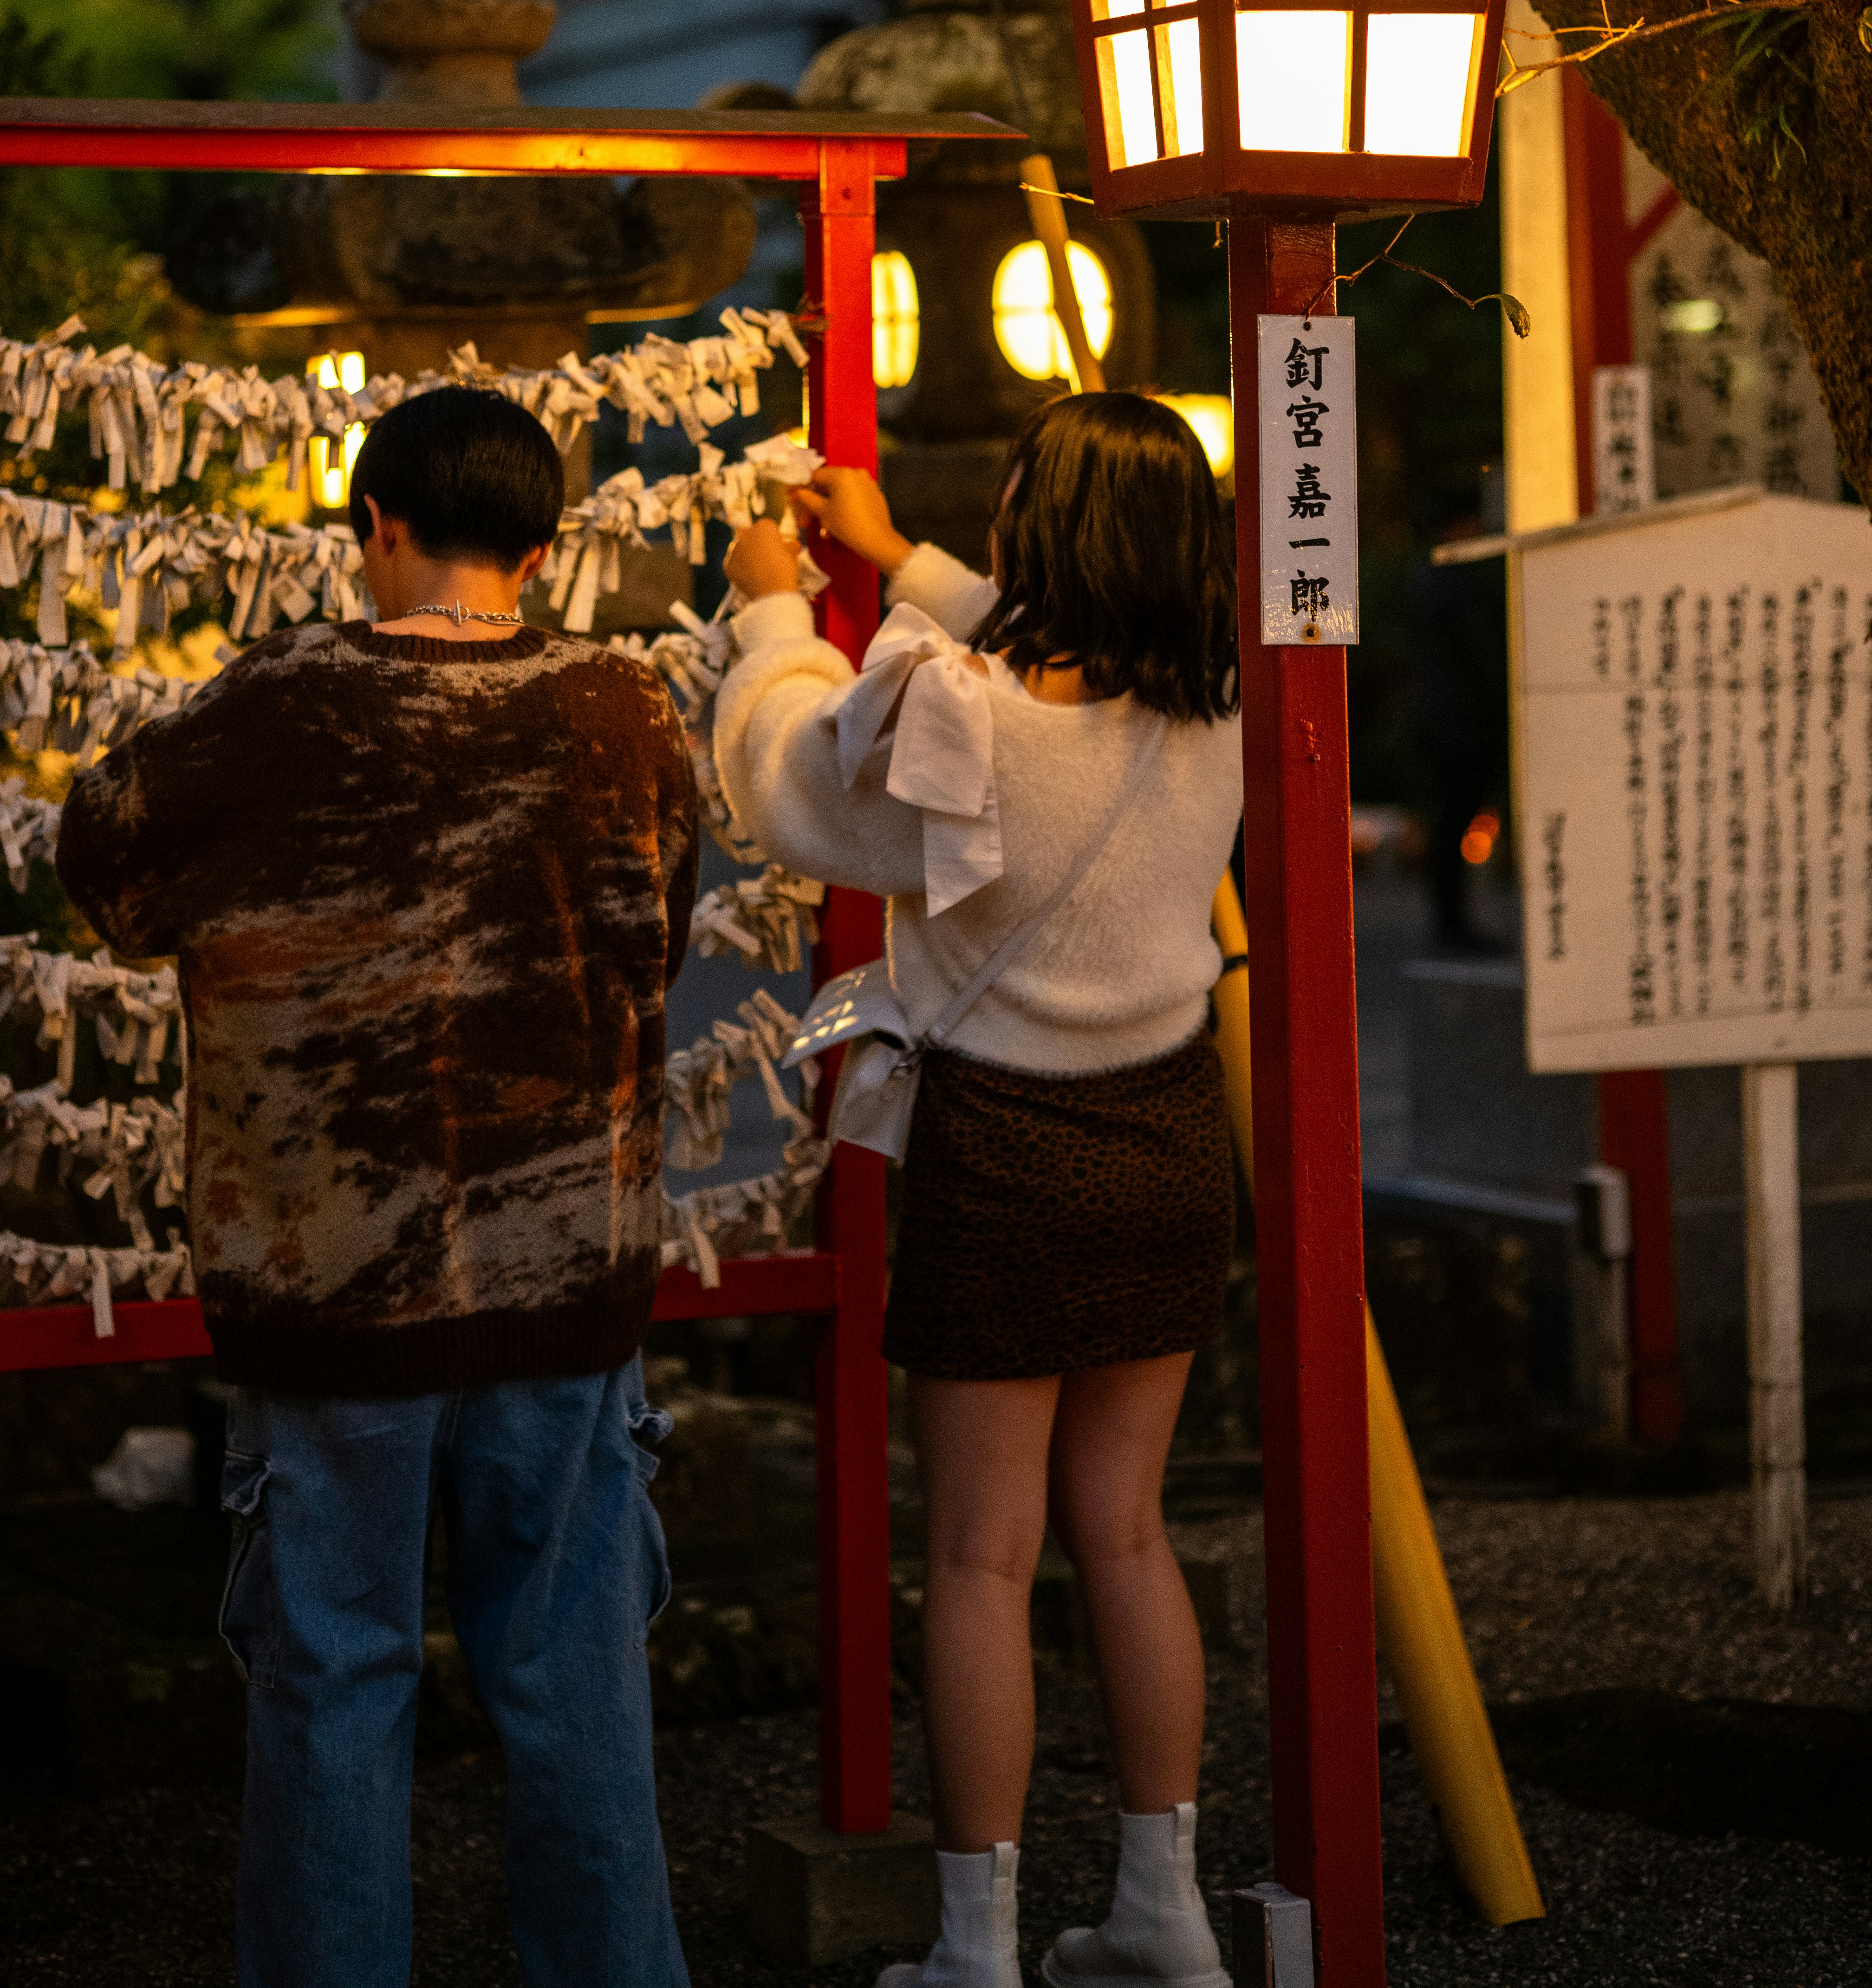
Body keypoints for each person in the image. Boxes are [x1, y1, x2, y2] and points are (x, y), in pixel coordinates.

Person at [55, 385, 698, 1988]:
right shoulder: (627, 711)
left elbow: (104, 862)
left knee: (335, 1684)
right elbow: (663, 926)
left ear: (376, 530)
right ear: (545, 552)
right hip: (570, 1280)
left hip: (329, 1286)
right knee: (578, 1683)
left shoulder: (277, 703)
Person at [720, 392, 1242, 1988]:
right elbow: (1041, 651)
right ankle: (1168, 1915)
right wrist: (903, 559)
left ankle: (977, 1947)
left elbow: (798, 787)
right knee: (1130, 1538)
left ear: (1045, 525)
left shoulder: (973, 718)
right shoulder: (1216, 708)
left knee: (981, 1557)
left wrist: (773, 610)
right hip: (1165, 1141)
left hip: (1006, 1156)